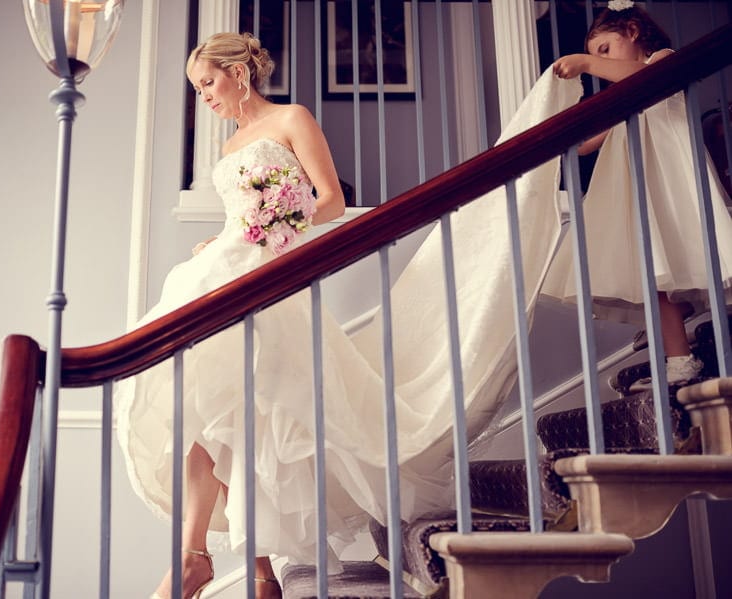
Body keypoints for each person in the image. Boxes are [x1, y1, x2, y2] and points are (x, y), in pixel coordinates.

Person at [116, 32, 584, 599]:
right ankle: (247, 570)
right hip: (225, 266)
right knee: (215, 406)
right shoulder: (227, 145)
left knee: (233, 406)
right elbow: (241, 213)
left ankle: (204, 562)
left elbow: (330, 199)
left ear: (239, 72)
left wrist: (275, 235)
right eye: (196, 89)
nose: (203, 98)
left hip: (269, 271)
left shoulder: (291, 119)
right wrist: (225, 237)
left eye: (208, 83)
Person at [545, 1, 732, 389]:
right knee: (655, 273)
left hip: (672, 184)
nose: (601, 62)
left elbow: (649, 79)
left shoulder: (659, 63)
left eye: (605, 50)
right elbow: (586, 144)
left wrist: (587, 63)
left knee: (694, 252)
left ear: (632, 31)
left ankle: (677, 321)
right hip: (640, 195)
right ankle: (679, 358)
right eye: (596, 55)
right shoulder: (622, 98)